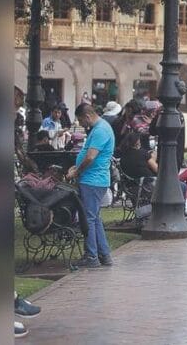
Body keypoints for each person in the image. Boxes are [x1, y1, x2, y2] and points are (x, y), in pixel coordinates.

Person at [64, 103, 116, 268]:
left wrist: (77, 171)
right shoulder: (100, 128)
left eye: (80, 120)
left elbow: (90, 157)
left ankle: (92, 256)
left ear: (87, 116)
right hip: (94, 179)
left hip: (93, 181)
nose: (80, 124)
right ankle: (104, 255)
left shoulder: (100, 130)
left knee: (88, 219)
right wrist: (77, 167)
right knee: (94, 218)